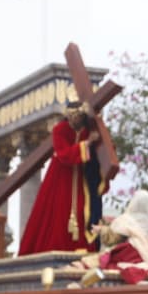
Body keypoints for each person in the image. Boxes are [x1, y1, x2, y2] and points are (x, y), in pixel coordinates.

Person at [18, 101, 103, 255]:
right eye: (69, 117)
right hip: (61, 176)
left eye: (75, 117)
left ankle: (82, 247)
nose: (72, 121)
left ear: (82, 116)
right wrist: (88, 143)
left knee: (84, 211)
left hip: (82, 176)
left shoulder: (89, 129)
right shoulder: (60, 130)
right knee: (59, 211)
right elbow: (64, 155)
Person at [81, 189, 148, 282]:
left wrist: (102, 230)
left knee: (109, 256)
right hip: (145, 256)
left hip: (131, 254)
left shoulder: (126, 219)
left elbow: (113, 237)